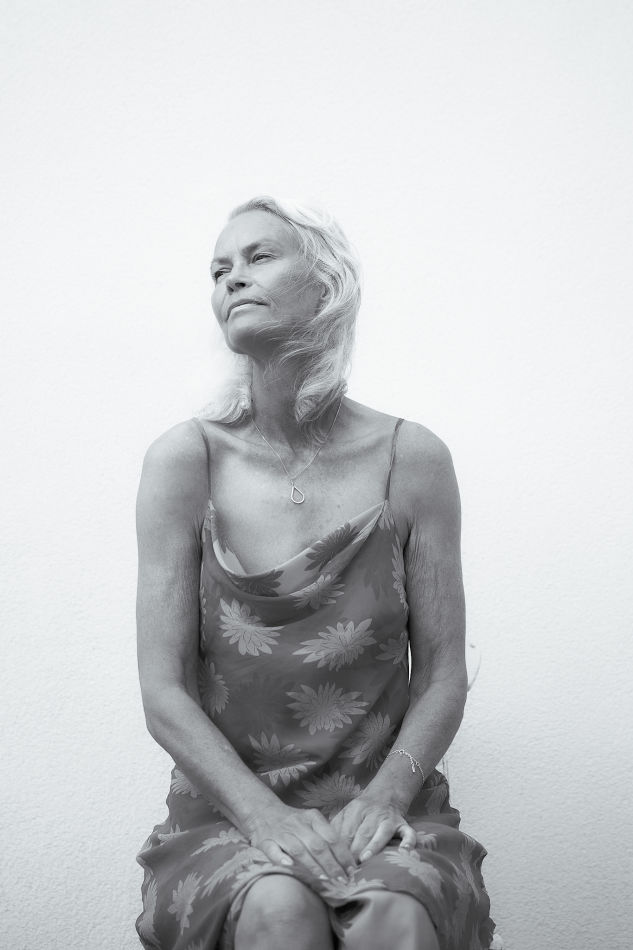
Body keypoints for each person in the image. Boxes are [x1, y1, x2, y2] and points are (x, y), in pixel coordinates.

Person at [134, 195, 497, 950]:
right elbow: (163, 692)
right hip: (227, 817)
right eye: (218, 270)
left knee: (393, 918)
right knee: (279, 909)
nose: (232, 278)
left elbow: (442, 674)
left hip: (385, 807)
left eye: (259, 256)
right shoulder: (185, 461)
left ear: (328, 283)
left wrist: (386, 798)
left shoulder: (411, 459)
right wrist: (265, 818)